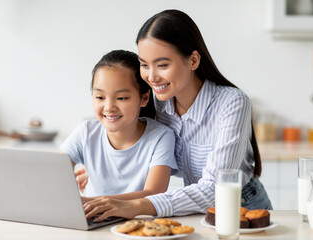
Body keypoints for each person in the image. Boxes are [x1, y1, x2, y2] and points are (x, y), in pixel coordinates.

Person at [82, 9, 272, 222]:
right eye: (144, 65)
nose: (151, 76)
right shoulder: (159, 103)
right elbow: (142, 151)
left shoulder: (232, 102)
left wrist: (136, 206)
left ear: (193, 60)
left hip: (243, 209)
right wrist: (101, 170)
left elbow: (214, 189)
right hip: (197, 212)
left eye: (162, 65)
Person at [60, 49, 178, 200]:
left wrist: (94, 202)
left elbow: (154, 194)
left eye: (121, 98)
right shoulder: (86, 132)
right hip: (92, 219)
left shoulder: (161, 137)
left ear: (144, 98)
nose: (109, 107)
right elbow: (52, 174)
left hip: (138, 220)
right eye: (100, 97)